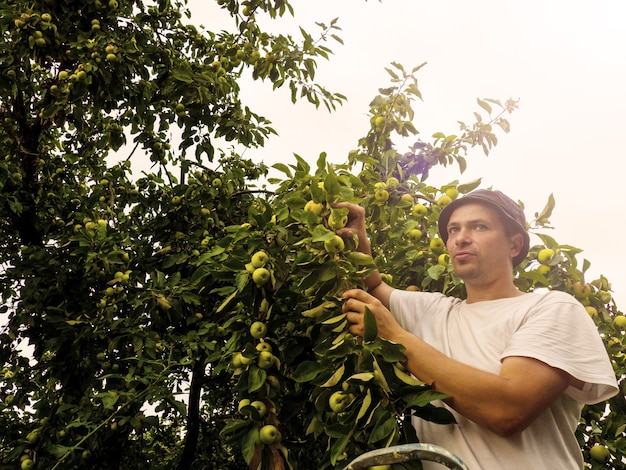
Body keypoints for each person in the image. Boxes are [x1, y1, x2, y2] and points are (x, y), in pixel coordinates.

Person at [336, 189, 618, 470]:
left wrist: (396, 338)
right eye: (453, 230)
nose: (461, 238)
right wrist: (355, 236)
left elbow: (507, 410)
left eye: (479, 227)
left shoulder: (552, 308)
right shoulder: (433, 311)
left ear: (515, 245)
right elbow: (373, 285)